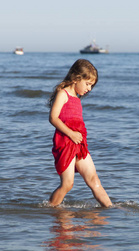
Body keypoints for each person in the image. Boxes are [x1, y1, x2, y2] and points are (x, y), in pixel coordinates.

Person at [48, 59, 112, 208]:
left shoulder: (77, 98)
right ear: (77, 78)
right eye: (88, 84)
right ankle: (50, 208)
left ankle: (110, 208)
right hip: (65, 142)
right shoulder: (62, 93)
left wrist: (77, 136)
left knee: (94, 179)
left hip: (79, 143)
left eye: (91, 86)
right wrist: (71, 134)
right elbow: (53, 118)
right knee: (67, 184)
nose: (89, 89)